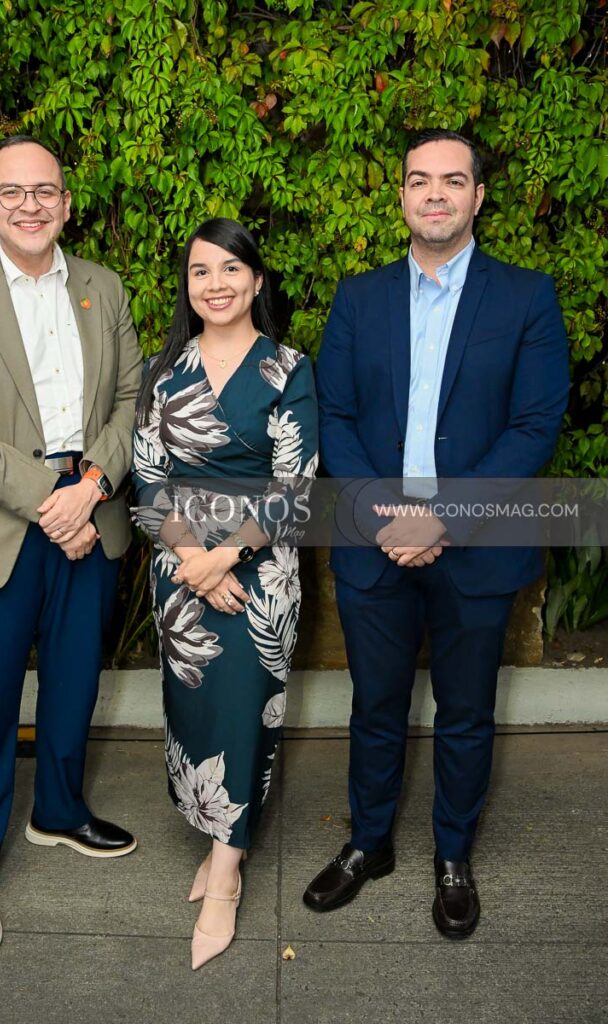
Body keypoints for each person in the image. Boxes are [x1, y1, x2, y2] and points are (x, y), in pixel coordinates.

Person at [305, 129, 569, 938]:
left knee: (464, 710)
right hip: (376, 545)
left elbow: (533, 426)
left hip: (478, 548)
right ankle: (368, 843)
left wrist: (442, 518)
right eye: (419, 180)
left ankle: (453, 855)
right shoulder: (359, 297)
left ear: (478, 196)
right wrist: (390, 517)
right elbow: (335, 416)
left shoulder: (527, 297)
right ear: (402, 197)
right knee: (375, 704)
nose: (435, 195)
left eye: (452, 181)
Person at [0, 136, 143, 954]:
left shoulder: (102, 288)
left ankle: (61, 812)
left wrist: (95, 486)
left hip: (93, 514)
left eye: (45, 191)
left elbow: (130, 399)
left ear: (68, 203)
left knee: (75, 686)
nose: (31, 205)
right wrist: (55, 499)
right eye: (12, 193)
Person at [132, 218, 318, 969]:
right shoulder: (162, 368)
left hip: (259, 570)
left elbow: (295, 484)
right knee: (194, 705)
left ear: (257, 281)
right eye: (201, 270)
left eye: (231, 269)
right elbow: (147, 479)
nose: (216, 283)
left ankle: (227, 875)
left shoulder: (288, 368)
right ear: (188, 284)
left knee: (245, 712)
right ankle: (214, 839)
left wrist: (225, 557)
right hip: (179, 571)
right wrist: (190, 558)